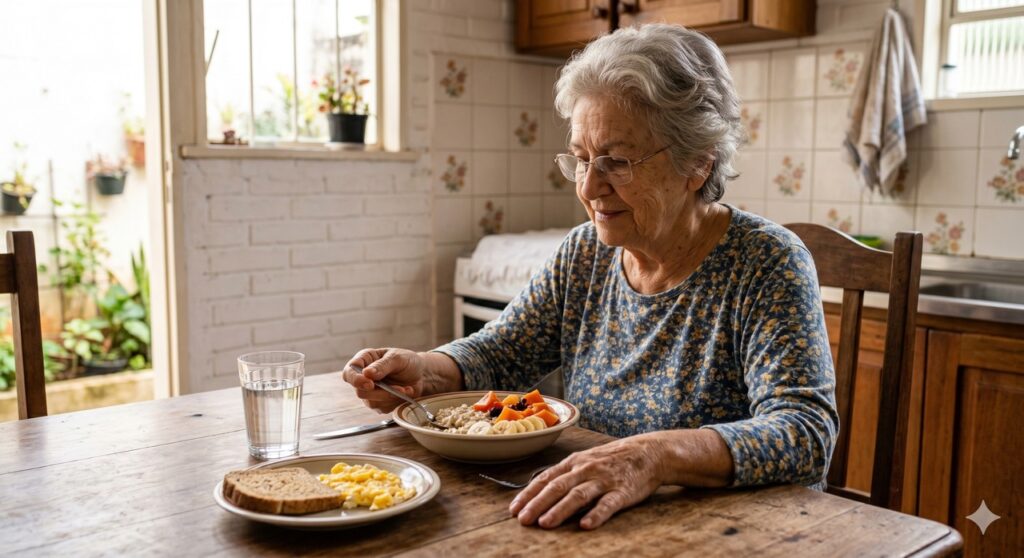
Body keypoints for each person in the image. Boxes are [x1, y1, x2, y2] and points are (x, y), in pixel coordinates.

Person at [343, 23, 838, 530]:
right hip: (601, 523)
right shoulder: (585, 253)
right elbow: (504, 350)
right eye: (580, 159)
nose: (590, 186)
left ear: (697, 163)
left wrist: (654, 456)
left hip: (735, 533)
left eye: (616, 162)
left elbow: (804, 435)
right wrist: (427, 369)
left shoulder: (767, 262)